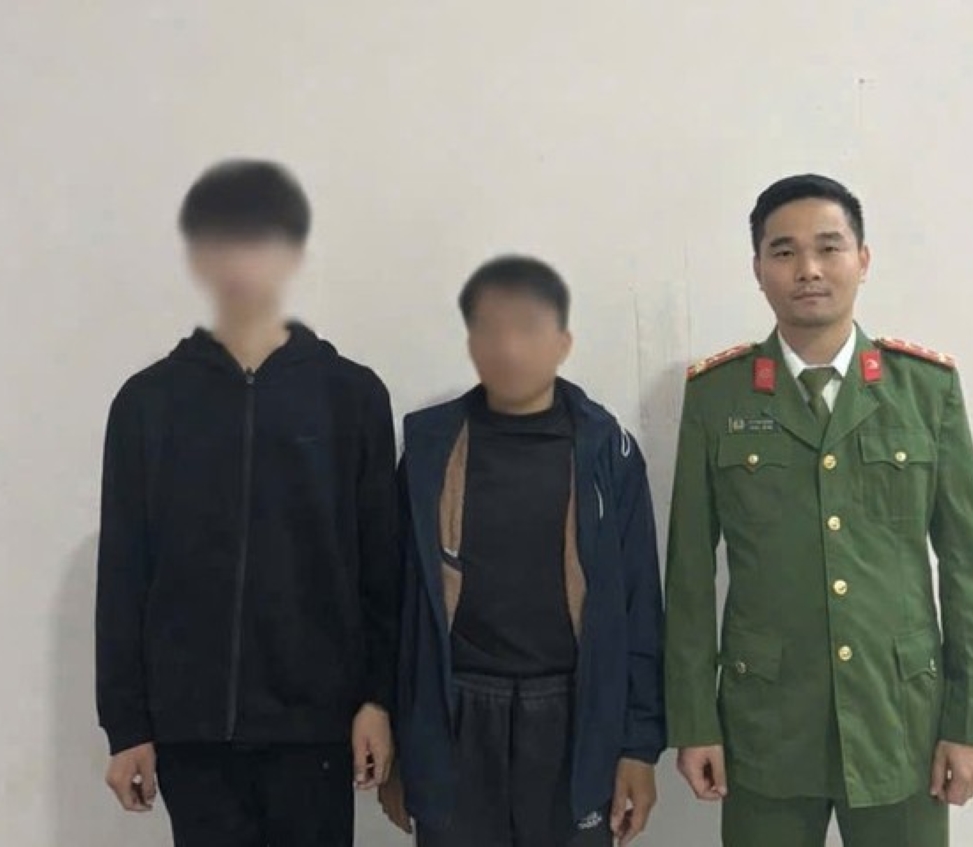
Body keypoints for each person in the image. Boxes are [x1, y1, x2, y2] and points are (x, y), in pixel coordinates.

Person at [664, 174, 973, 847]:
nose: (808, 269)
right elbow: (690, 573)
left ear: (863, 259)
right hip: (766, 723)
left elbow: (967, 567)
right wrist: (695, 720)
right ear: (758, 269)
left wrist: (970, 723)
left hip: (898, 718)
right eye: (784, 251)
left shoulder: (925, 390)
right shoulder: (718, 395)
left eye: (828, 247)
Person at [95, 159, 399, 846]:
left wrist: (378, 698)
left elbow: (382, 567)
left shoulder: (351, 397)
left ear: (292, 253)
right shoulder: (148, 403)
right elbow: (123, 573)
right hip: (193, 732)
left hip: (317, 731)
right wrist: (127, 724)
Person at [378, 256, 665, 846]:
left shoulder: (607, 454)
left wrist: (638, 746)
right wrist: (400, 740)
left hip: (573, 719)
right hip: (455, 718)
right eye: (490, 330)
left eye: (528, 329)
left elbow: (640, 607)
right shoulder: (431, 453)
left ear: (563, 342)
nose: (508, 348)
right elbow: (396, 605)